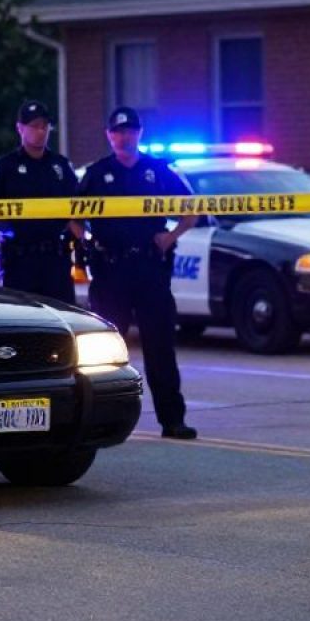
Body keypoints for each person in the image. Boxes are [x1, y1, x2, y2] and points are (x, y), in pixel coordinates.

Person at [77, 106, 198, 439]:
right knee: (103, 352)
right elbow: (70, 213)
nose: (123, 136)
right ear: (108, 135)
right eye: (117, 131)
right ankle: (98, 423)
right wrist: (86, 239)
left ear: (139, 133)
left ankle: (172, 420)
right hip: (110, 270)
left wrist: (170, 236)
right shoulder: (97, 173)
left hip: (149, 269)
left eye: (129, 130)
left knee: (160, 348)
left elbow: (193, 208)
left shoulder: (159, 171)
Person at [0, 99, 82, 304]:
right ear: (20, 128)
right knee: (20, 319)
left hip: (55, 259)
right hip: (18, 260)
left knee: (63, 318)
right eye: (34, 126)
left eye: (44, 126)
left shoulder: (61, 166)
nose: (40, 131)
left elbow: (75, 210)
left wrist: (83, 238)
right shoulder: (5, 167)